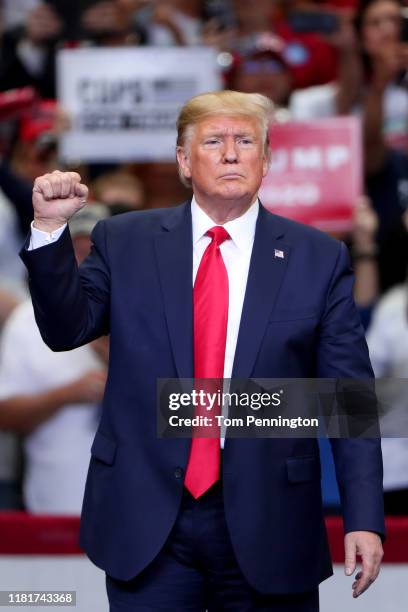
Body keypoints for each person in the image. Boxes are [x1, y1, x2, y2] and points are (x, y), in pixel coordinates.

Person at [20, 90, 384, 611]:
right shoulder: (125, 241)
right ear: (184, 161)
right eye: (214, 141)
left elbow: (350, 399)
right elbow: (65, 329)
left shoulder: (318, 258)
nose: (231, 153)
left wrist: (365, 518)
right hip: (147, 521)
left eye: (245, 141)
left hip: (271, 521)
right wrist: (50, 232)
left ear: (267, 159)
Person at [0, 205, 110, 514]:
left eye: (95, 252)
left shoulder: (148, 311)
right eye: (75, 250)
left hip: (139, 516)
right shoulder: (27, 319)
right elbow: (5, 417)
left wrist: (110, 351)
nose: (86, 262)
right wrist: (65, 395)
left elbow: (189, 415)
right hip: (54, 509)